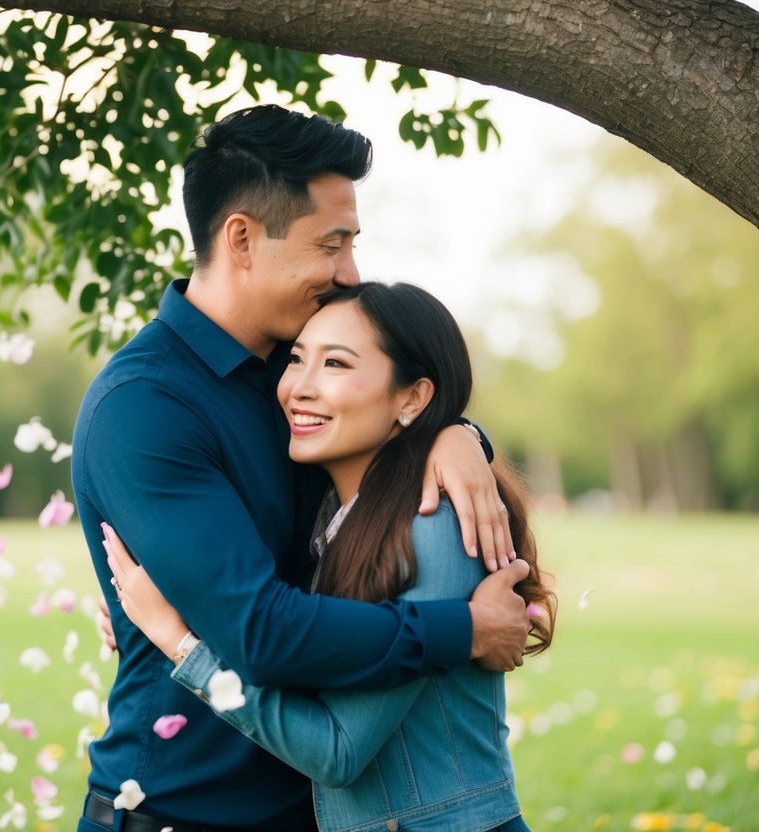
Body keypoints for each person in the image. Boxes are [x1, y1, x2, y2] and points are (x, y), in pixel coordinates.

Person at [71, 104, 531, 832]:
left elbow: (389, 420)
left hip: (310, 805)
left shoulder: (290, 376)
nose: (350, 270)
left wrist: (451, 433)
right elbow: (260, 632)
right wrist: (459, 632)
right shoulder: (146, 407)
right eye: (331, 244)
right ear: (243, 239)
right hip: (186, 813)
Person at [106, 281, 557, 832]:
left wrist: (180, 641)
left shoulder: (436, 524)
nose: (299, 387)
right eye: (297, 359)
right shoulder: (324, 512)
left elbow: (337, 752)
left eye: (336, 364)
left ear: (412, 399)